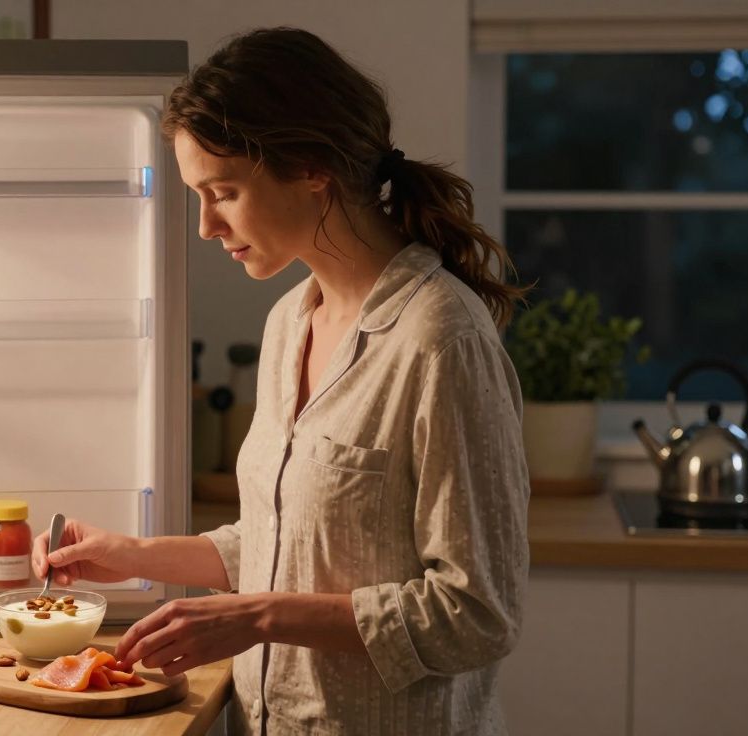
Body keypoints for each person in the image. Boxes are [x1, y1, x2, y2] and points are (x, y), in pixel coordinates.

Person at [32, 27, 532, 735]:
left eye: (224, 192)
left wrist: (258, 618)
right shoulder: (288, 325)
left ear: (310, 167)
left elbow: (478, 614)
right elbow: (291, 545)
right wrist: (132, 555)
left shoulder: (441, 341)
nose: (206, 225)